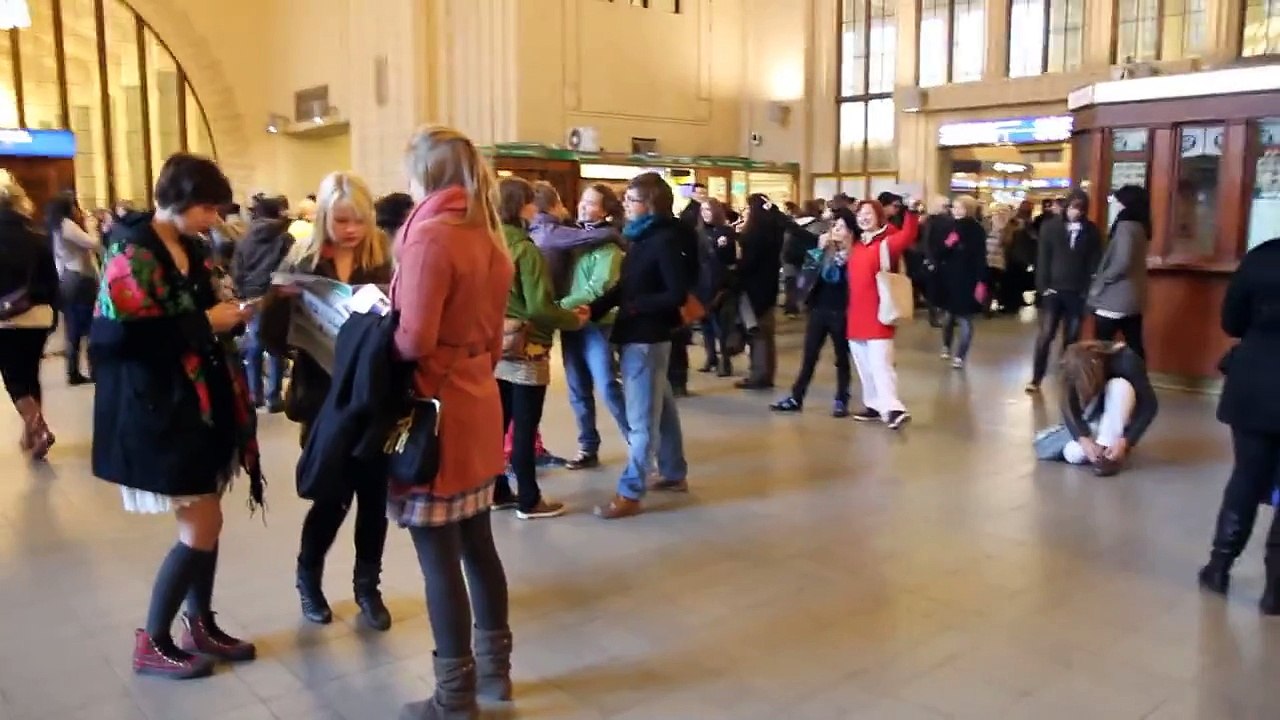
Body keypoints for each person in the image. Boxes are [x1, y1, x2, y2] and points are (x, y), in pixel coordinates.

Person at [90, 153, 262, 679]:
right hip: (158, 406)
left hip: (199, 403)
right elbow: (117, 338)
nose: (213, 218)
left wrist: (231, 315)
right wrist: (204, 322)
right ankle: (155, 639)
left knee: (208, 520)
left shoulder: (189, 245)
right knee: (202, 522)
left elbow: (201, 315)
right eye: (207, 207)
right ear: (181, 200)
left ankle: (199, 623)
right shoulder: (133, 250)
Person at [392, 126, 515, 719]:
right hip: (477, 400)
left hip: (434, 410)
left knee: (437, 557)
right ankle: (496, 674)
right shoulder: (487, 237)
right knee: (479, 546)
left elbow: (413, 337)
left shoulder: (431, 236)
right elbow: (491, 339)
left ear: (426, 176)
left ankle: (454, 699)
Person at [262, 173, 395, 630]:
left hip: (375, 394)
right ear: (323, 217)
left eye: (359, 219)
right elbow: (273, 341)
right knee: (331, 495)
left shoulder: (382, 259)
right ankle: (309, 580)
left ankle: (367, 588)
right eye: (341, 220)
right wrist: (277, 302)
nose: (351, 229)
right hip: (324, 398)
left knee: (374, 498)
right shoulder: (303, 259)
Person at [589, 171, 691, 520]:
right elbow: (626, 286)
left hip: (646, 336)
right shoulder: (640, 237)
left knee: (641, 420)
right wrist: (596, 307)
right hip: (640, 333)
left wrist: (635, 307)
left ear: (649, 204)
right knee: (662, 406)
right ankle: (674, 471)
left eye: (631, 200)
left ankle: (631, 491)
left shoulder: (661, 240)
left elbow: (674, 293)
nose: (625, 206)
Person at [492, 177, 588, 519]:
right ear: (521, 206)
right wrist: (572, 318)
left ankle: (497, 490)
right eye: (532, 202)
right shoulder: (526, 250)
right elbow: (539, 308)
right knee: (525, 425)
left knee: (497, 424)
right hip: (527, 347)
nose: (537, 208)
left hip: (494, 345)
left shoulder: (488, 243)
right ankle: (529, 499)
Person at [1198, 237, 1280, 613]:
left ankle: (1219, 568)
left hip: (1255, 381)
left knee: (1246, 476)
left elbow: (1232, 321)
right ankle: (1275, 591)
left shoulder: (1262, 257)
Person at [560, 183, 629, 471]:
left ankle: (637, 443)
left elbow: (598, 286)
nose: (583, 207)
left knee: (607, 385)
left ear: (605, 210)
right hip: (570, 325)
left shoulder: (609, 247)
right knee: (577, 389)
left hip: (596, 325)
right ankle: (588, 446)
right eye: (583, 201)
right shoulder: (573, 238)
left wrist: (557, 306)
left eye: (591, 203)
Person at [770, 211, 852, 417]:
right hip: (818, 310)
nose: (836, 231)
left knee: (842, 358)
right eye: (834, 227)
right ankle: (796, 397)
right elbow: (803, 282)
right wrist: (817, 252)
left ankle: (842, 398)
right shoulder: (823, 251)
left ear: (850, 232)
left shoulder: (855, 255)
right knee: (809, 357)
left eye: (841, 227)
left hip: (842, 312)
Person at [0, 172, 59, 459]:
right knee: (30, 373)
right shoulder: (38, 234)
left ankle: (40, 430)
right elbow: (53, 281)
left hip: (6, 317)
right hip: (40, 315)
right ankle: (30, 435)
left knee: (14, 379)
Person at [845, 199, 916, 429]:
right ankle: (874, 405)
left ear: (878, 216)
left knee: (881, 365)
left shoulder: (886, 244)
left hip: (879, 315)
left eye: (868, 213)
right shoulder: (857, 246)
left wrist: (912, 212)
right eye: (860, 215)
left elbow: (908, 236)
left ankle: (893, 408)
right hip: (856, 316)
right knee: (865, 366)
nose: (864, 218)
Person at [1027, 189, 1102, 393]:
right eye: (1072, 208)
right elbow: (1043, 258)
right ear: (1066, 206)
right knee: (1045, 335)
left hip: (1077, 292)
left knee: (1072, 339)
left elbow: (1093, 263)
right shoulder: (1051, 228)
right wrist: (1043, 288)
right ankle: (1036, 377)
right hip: (1053, 291)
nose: (1075, 213)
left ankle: (1067, 378)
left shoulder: (1092, 232)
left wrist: (1087, 291)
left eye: (1080, 209)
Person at [1052, 340, 1157, 476]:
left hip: (1122, 409)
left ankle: (1107, 450)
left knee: (1119, 386)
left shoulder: (1126, 360)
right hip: (1095, 414)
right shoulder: (1072, 364)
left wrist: (1127, 441)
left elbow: (1149, 405)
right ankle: (1102, 448)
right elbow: (1068, 405)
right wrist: (1083, 438)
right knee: (1073, 454)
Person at [231, 194, 295, 411]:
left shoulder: (244, 238)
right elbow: (289, 267)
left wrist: (240, 293)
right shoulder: (285, 238)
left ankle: (254, 393)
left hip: (249, 294)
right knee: (275, 343)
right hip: (273, 294)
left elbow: (237, 268)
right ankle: (274, 396)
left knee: (254, 344)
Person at [1089, 185, 1149, 359]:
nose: (1113, 203)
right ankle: (1137, 380)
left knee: (1101, 347)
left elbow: (1122, 262)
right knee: (1135, 344)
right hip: (1134, 298)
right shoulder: (1141, 227)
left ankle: (1100, 382)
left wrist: (1102, 279)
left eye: (1116, 200)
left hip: (1114, 299)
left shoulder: (1125, 226)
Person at [47, 193, 100, 385]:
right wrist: (92, 226)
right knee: (85, 326)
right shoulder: (66, 225)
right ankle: (83, 370)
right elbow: (94, 243)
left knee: (74, 327)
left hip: (70, 277)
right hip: (78, 279)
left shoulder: (56, 225)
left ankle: (75, 370)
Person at [735, 193, 785, 391]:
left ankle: (759, 375)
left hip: (755, 288)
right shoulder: (774, 230)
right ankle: (763, 373)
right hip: (769, 287)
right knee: (765, 333)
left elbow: (748, 263)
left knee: (758, 333)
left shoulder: (755, 234)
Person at [935, 194, 988, 369]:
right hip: (949, 278)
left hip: (967, 279)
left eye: (960, 207)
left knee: (965, 319)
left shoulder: (977, 230)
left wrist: (981, 280)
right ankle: (946, 346)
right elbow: (939, 252)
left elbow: (980, 257)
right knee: (949, 317)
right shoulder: (949, 226)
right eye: (954, 207)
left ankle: (960, 355)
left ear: (968, 210)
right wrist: (948, 244)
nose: (956, 211)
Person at [696, 198, 738, 377]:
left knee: (721, 325)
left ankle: (725, 360)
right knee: (705, 323)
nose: (706, 213)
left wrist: (722, 246)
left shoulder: (726, 231)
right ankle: (711, 356)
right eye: (703, 210)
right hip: (702, 282)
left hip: (720, 283)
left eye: (709, 210)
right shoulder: (698, 232)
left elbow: (730, 259)